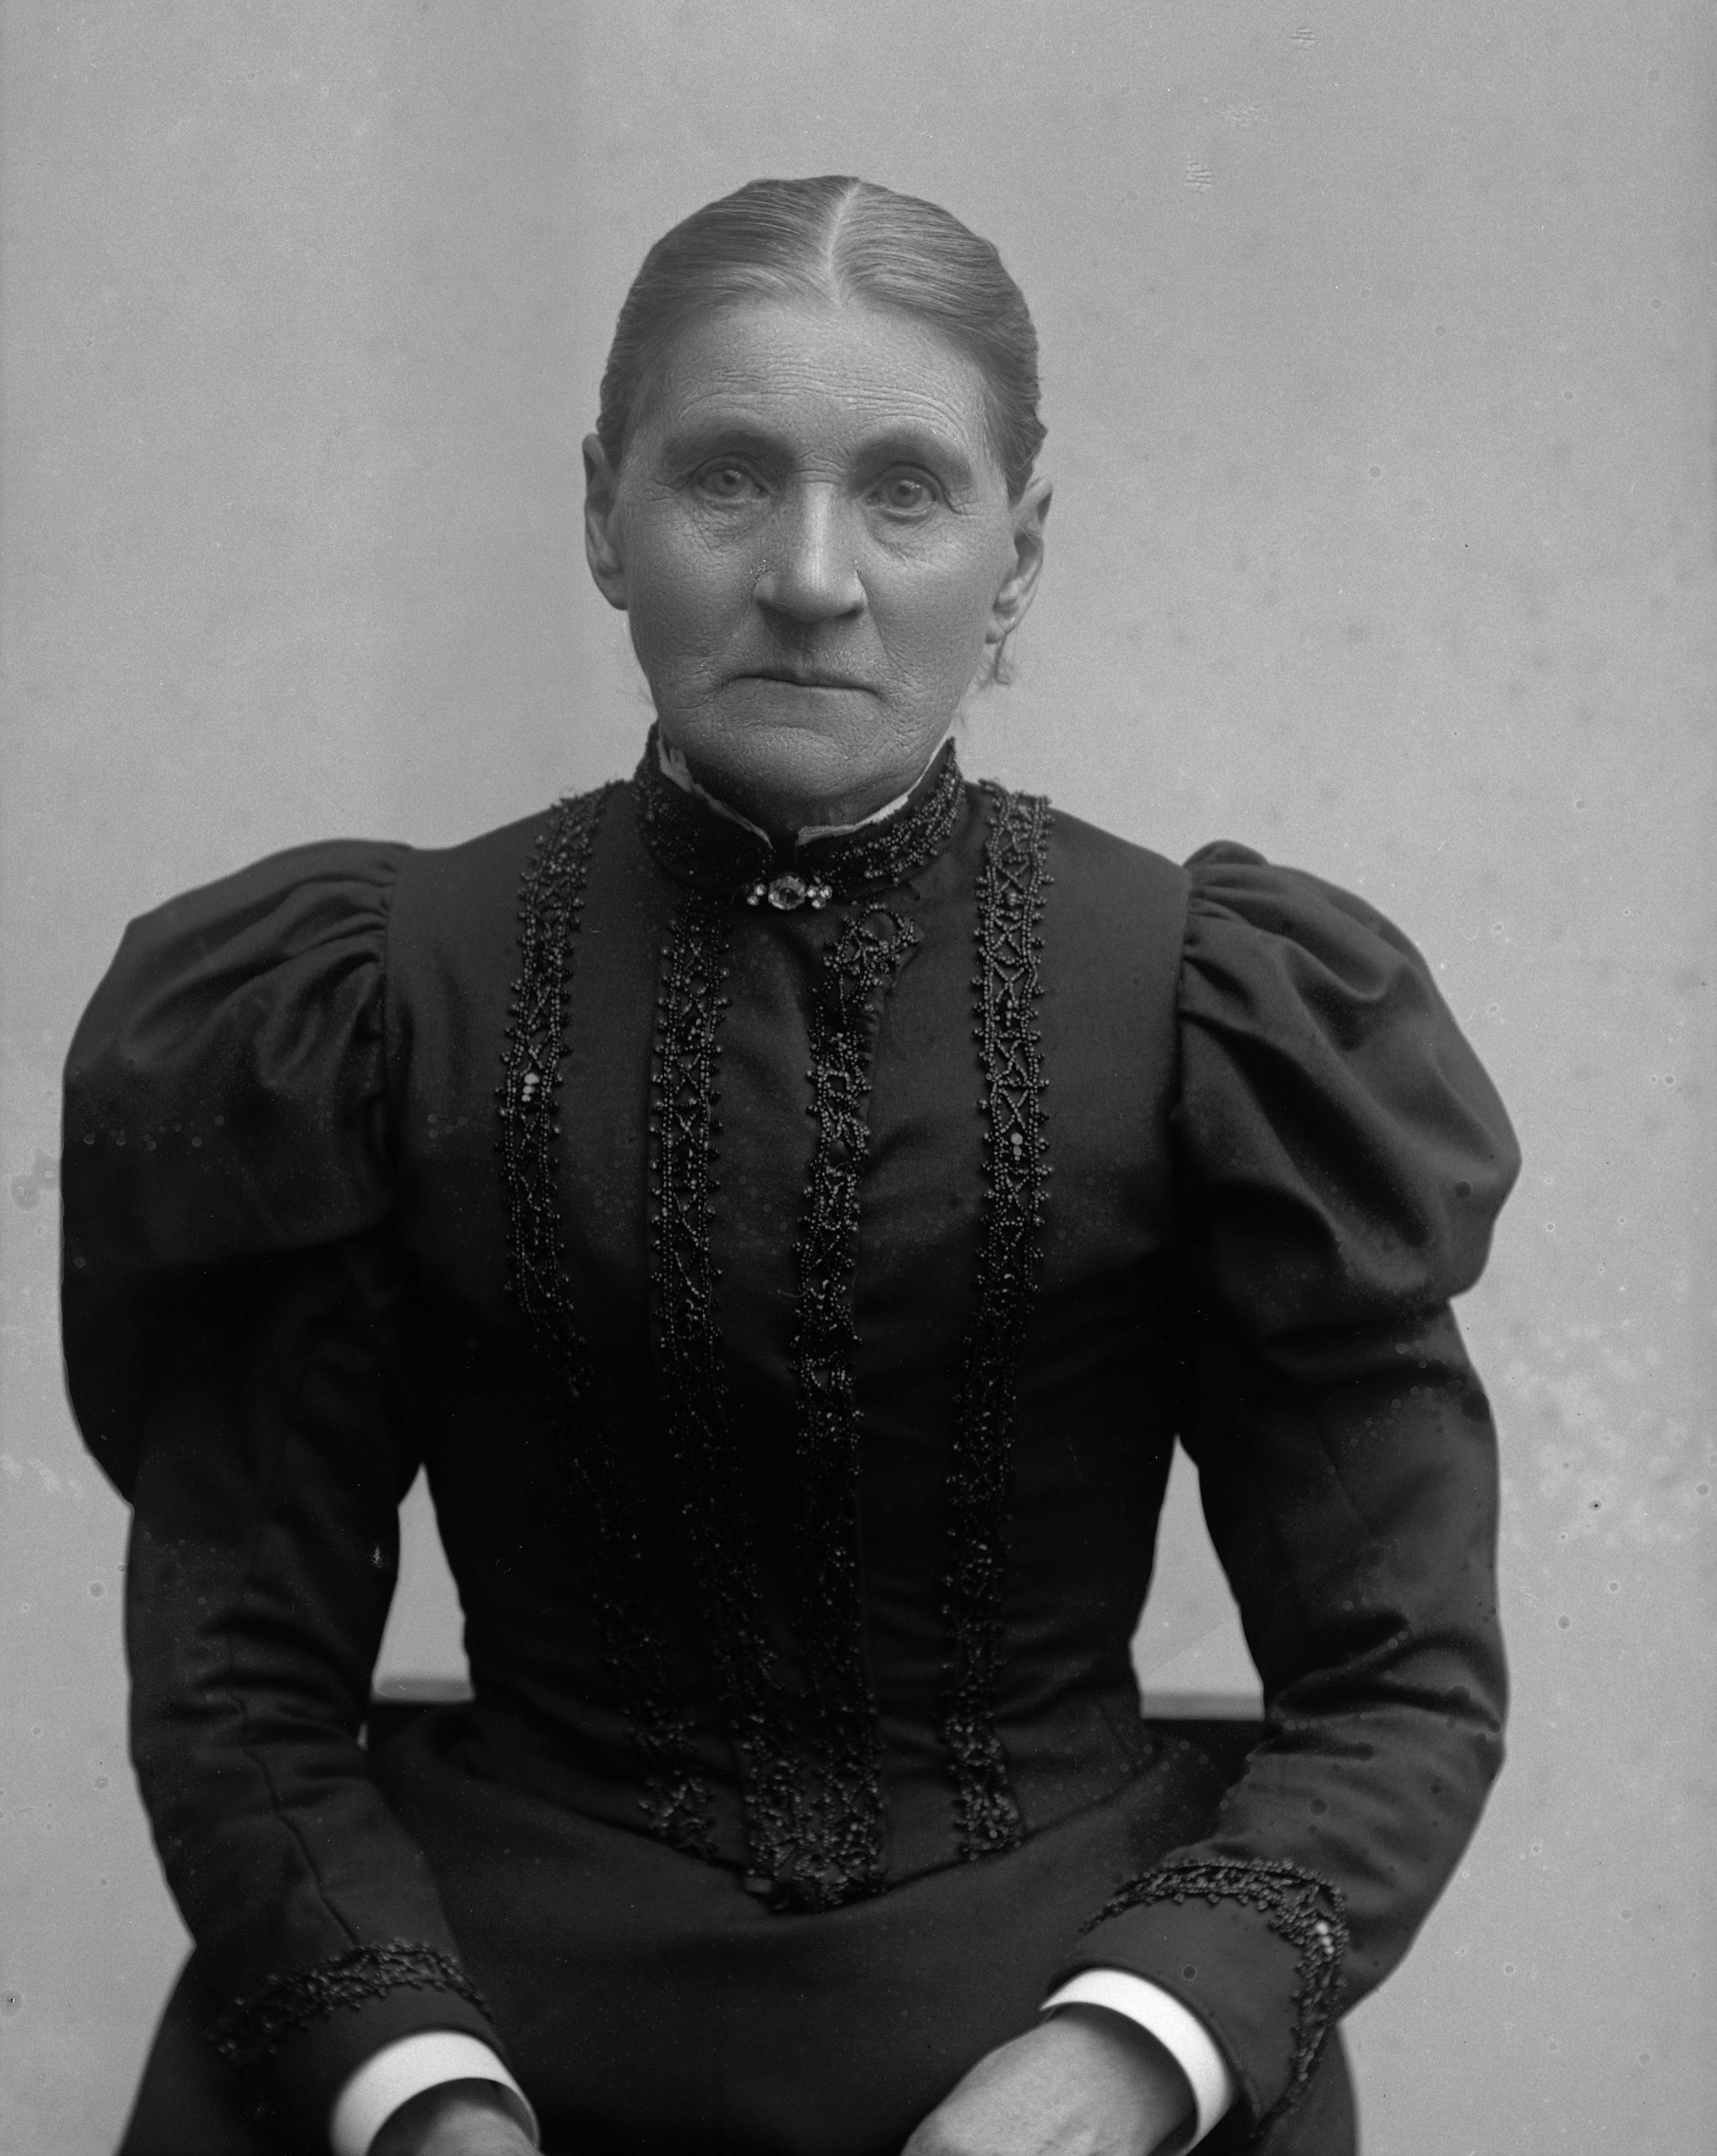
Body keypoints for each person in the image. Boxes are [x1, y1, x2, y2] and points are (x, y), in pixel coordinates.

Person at [62, 177, 1519, 2156]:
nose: (814, 577)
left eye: (905, 491)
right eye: (728, 478)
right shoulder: (379, 1002)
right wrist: (418, 2096)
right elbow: (233, 1678)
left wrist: (1131, 2057)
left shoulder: (1212, 1011)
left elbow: (1403, 1681)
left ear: (1018, 556)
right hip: (470, 2024)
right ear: (606, 513)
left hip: (1076, 2032)